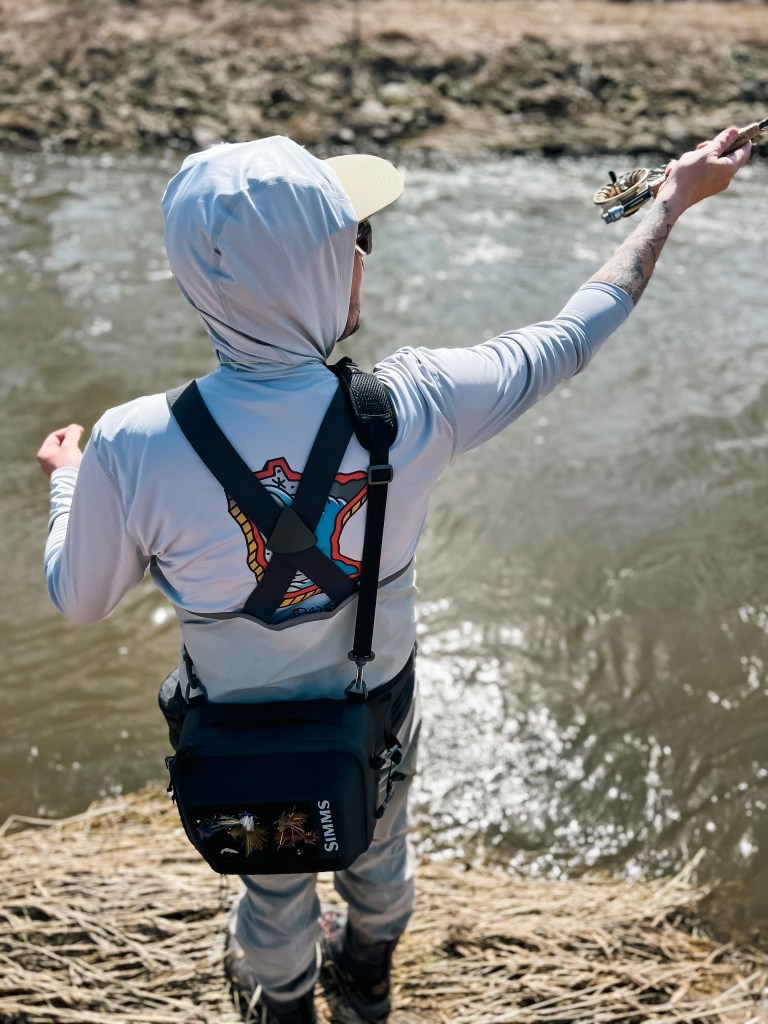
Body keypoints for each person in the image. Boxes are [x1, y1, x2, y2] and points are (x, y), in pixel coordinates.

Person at [37, 127, 750, 1024]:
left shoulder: (133, 442)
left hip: (236, 738)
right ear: (331, 266)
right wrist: (669, 202)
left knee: (272, 889)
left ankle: (287, 1004)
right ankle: (368, 973)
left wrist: (69, 488)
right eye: (354, 239)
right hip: (376, 715)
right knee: (379, 848)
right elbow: (579, 329)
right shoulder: (415, 405)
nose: (362, 257)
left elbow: (80, 597)